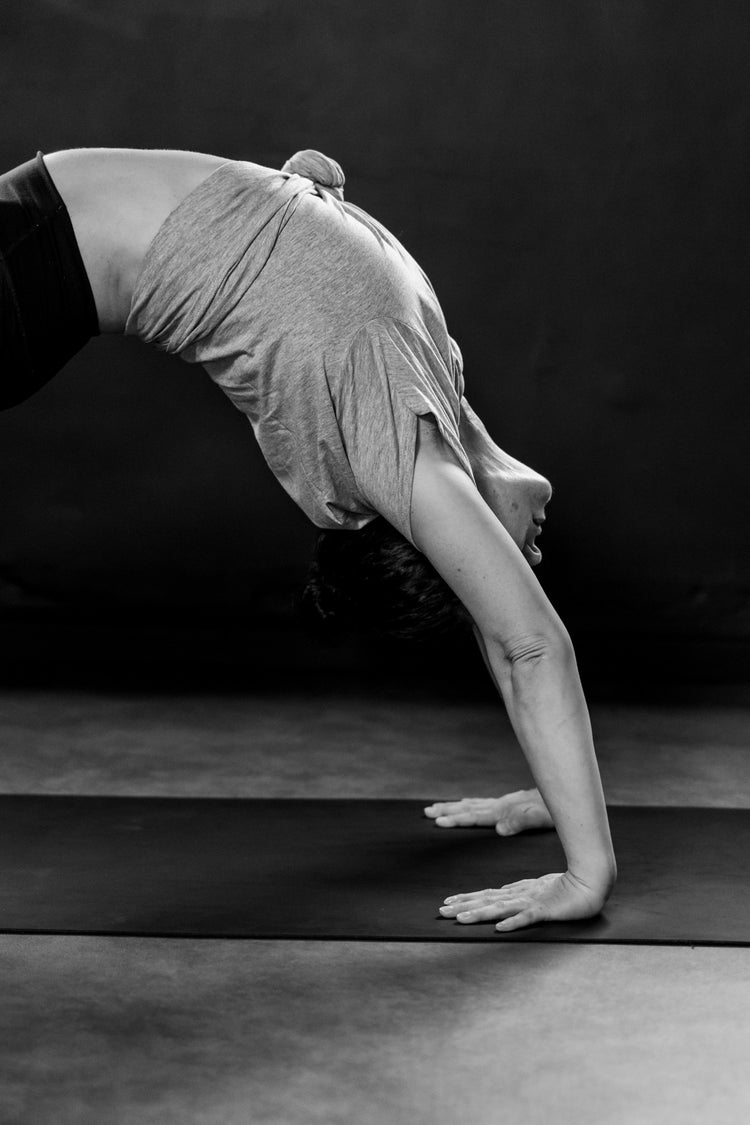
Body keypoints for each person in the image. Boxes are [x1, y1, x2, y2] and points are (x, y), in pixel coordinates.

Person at [0, 146, 616, 931]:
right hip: (33, 246)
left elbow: (520, 643)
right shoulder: (422, 390)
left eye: (510, 561)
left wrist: (576, 844)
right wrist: (576, 840)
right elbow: (519, 640)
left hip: (32, 263)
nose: (528, 560)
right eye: (514, 561)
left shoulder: (395, 441)